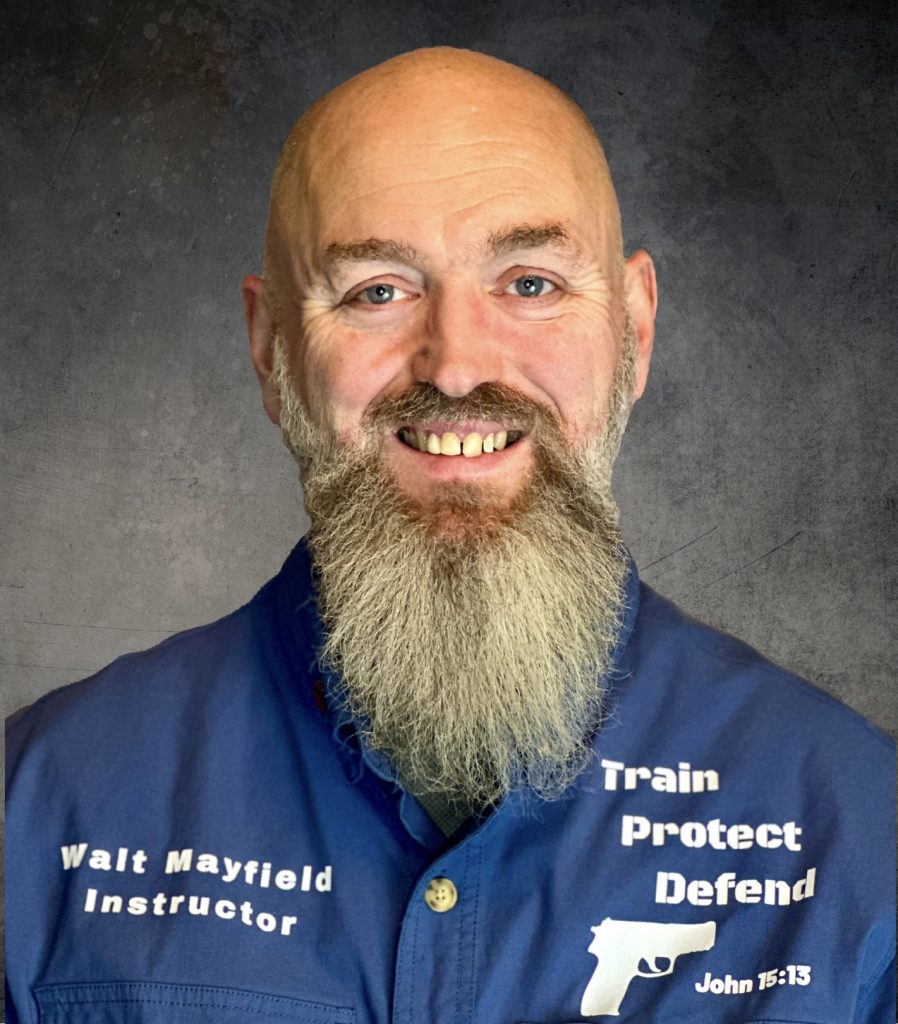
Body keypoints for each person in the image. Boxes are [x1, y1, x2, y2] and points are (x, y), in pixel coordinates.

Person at [6, 47, 894, 1024]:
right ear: (271, 351)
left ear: (633, 328)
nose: (459, 364)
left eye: (531, 283)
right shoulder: (43, 809)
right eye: (378, 290)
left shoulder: (856, 829)